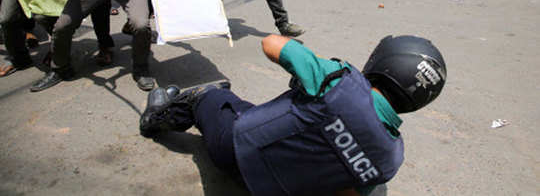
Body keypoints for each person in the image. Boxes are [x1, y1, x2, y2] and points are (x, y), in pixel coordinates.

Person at [139, 34, 446, 196]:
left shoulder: (338, 80)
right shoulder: (391, 156)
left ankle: (157, 116)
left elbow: (270, 44)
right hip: (274, 189)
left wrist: (311, 60)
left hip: (232, 150)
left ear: (384, 62)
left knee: (212, 96)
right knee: (252, 108)